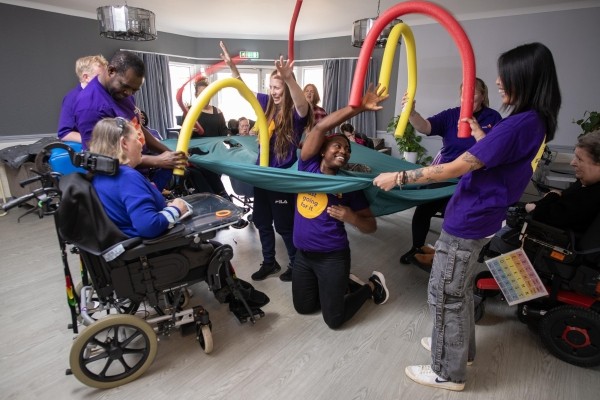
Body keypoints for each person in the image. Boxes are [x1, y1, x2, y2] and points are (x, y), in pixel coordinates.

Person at [373, 42, 561, 391]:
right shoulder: (534, 121)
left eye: (505, 75)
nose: (499, 81)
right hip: (483, 215)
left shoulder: (518, 123)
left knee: (444, 294)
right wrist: (479, 135)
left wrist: (399, 178)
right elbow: (494, 155)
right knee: (457, 290)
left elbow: (458, 167)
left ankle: (448, 371)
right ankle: (460, 351)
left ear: (526, 77)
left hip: (471, 219)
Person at [293, 84, 390, 329]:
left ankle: (370, 286)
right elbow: (321, 126)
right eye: (337, 146)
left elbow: (371, 226)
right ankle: (339, 284)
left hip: (332, 257)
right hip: (303, 256)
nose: (343, 151)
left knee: (334, 320)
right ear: (323, 150)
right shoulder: (307, 167)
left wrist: (351, 217)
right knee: (304, 308)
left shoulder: (349, 185)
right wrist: (357, 108)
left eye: (347, 150)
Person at [220, 40, 311, 282]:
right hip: (262, 175)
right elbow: (244, 91)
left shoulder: (294, 113)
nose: (274, 91)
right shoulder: (266, 104)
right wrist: (232, 68)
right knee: (261, 221)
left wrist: (290, 79)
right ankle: (269, 262)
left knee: (284, 226)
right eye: (272, 86)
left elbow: (303, 105)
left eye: (279, 87)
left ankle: (296, 264)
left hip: (280, 179)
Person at [399, 78, 502, 269]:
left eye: (474, 92)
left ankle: (445, 256)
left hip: (472, 178)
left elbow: (496, 151)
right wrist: (411, 112)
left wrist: (479, 132)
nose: (468, 97)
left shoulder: (493, 118)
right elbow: (426, 127)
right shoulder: (451, 115)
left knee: (453, 215)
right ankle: (417, 248)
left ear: (483, 95)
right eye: (464, 93)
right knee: (423, 209)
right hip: (445, 173)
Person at [72, 51, 186, 180]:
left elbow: (138, 128)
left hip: (143, 169)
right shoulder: (89, 106)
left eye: (134, 90)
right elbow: (100, 157)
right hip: (123, 178)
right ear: (111, 71)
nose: (129, 93)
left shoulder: (122, 92)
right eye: (125, 86)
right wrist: (157, 160)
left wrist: (169, 153)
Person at [89, 117, 189, 239]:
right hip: (152, 250)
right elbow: (148, 226)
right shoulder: (127, 178)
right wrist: (176, 209)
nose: (141, 144)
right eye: (137, 139)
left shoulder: (101, 175)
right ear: (124, 143)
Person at [57, 55, 108, 142]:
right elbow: (65, 133)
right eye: (99, 76)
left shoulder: (104, 94)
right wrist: (96, 142)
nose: (105, 79)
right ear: (86, 77)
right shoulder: (72, 98)